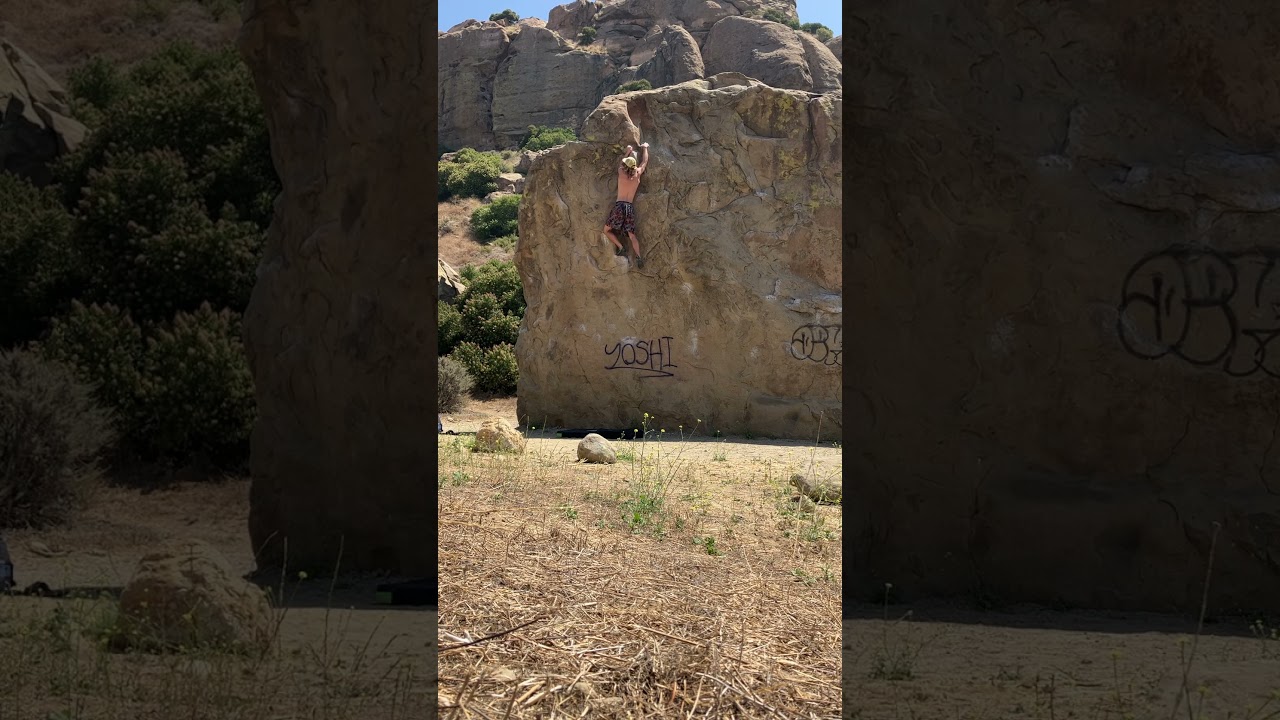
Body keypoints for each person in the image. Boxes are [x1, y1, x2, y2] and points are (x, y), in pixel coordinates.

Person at [602, 141, 649, 268]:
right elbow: (644, 162)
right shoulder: (638, 174)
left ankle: (621, 247)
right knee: (632, 235)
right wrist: (645, 148)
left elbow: (622, 161)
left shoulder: (621, 172)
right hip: (629, 207)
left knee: (606, 230)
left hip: (619, 206)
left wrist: (628, 151)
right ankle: (638, 256)